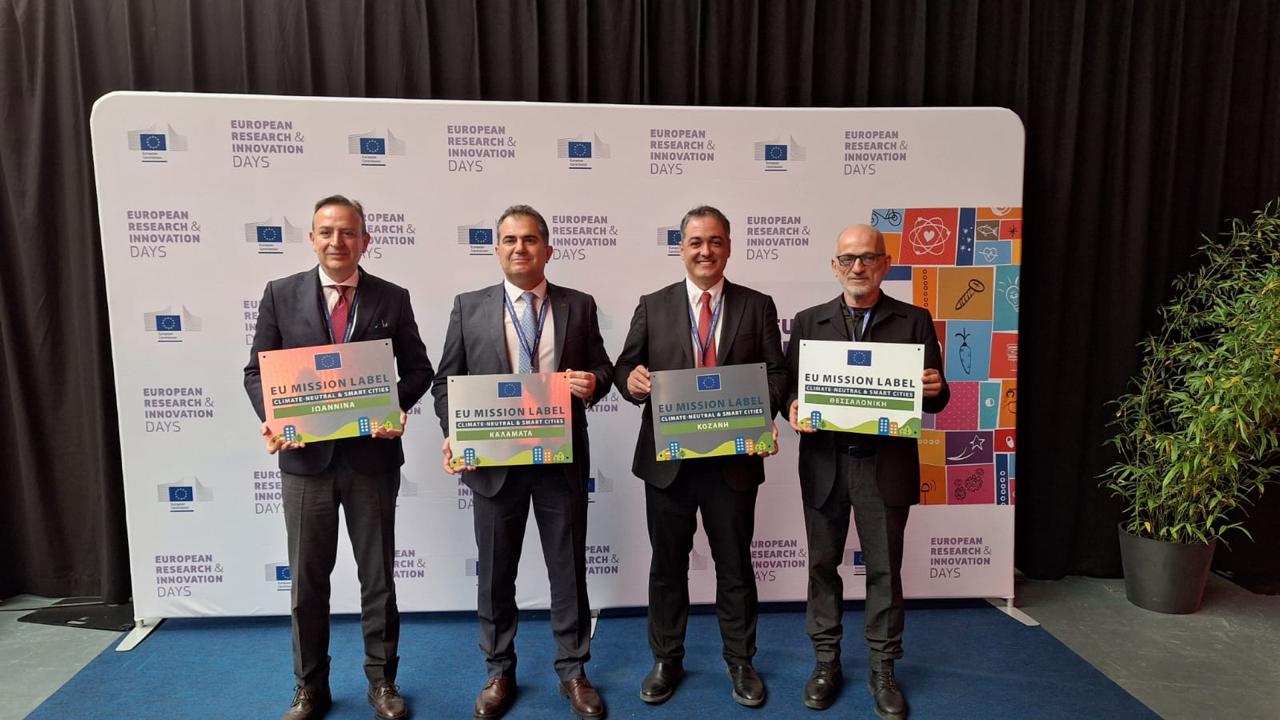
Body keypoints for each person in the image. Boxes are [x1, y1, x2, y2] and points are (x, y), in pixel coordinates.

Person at [244, 195, 434, 720]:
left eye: (348, 232)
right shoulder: (280, 294)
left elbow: (420, 370)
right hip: (305, 463)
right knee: (308, 583)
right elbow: (256, 371)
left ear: (365, 241)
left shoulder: (392, 298)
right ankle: (310, 686)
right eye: (326, 232)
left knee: (378, 579)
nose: (337, 241)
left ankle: (382, 682)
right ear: (311, 238)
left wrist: (393, 405)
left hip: (372, 461)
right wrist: (275, 417)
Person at [432, 205, 613, 720]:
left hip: (560, 461)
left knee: (568, 569)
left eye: (530, 240)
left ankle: (573, 670)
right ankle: (498, 670)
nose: (520, 248)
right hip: (493, 465)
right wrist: (454, 432)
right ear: (496, 249)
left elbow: (603, 368)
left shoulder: (579, 305)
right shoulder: (468, 307)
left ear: (547, 250)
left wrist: (594, 382)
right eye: (510, 240)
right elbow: (445, 383)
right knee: (495, 574)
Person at [614, 205, 786, 708]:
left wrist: (758, 410)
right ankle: (666, 659)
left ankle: (741, 661)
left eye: (715, 241)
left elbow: (777, 373)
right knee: (667, 567)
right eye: (695, 242)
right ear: (681, 249)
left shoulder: (757, 305)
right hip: (669, 465)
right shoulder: (653, 305)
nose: (705, 251)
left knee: (735, 566)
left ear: (728, 247)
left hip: (732, 463)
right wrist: (632, 381)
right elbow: (626, 366)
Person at [785, 224, 949, 718]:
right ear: (834, 266)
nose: (858, 267)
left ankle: (883, 667)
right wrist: (791, 406)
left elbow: (935, 398)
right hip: (825, 464)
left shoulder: (914, 320)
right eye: (848, 258)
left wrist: (936, 387)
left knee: (884, 570)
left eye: (869, 258)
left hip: (885, 466)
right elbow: (787, 388)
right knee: (821, 567)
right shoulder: (808, 322)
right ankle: (825, 662)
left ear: (885, 264)